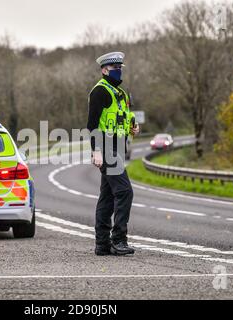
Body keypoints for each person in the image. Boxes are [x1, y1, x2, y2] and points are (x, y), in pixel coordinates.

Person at [86, 51, 140, 256]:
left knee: (107, 197)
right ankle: (118, 240)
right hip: (106, 148)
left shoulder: (120, 93)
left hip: (117, 147)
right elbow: (92, 125)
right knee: (125, 191)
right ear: (104, 70)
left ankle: (102, 244)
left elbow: (121, 119)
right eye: (114, 68)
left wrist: (132, 128)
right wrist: (96, 151)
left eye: (119, 68)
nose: (118, 71)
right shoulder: (99, 91)